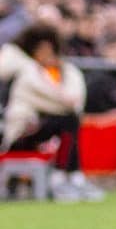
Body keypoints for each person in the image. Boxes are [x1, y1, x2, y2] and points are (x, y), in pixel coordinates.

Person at [1, 22, 101, 202]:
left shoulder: (65, 72)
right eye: (41, 49)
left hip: (45, 129)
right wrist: (66, 102)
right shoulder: (28, 73)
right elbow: (54, 100)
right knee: (69, 120)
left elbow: (74, 100)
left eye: (50, 49)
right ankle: (63, 177)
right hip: (20, 136)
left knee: (69, 121)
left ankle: (70, 176)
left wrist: (67, 103)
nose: (46, 54)